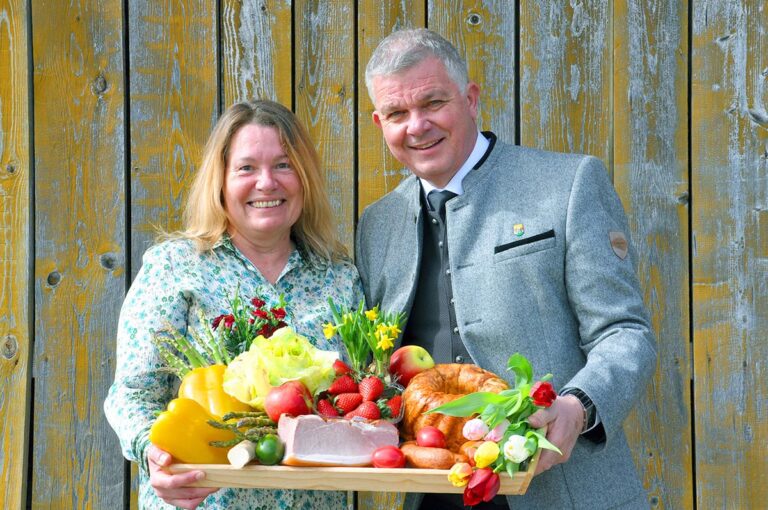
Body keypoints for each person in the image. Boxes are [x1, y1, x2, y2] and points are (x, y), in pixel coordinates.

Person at [356, 28, 657, 509]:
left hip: (564, 490)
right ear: (380, 123)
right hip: (432, 494)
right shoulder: (377, 224)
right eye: (397, 114)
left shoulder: (568, 183)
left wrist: (577, 407)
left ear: (471, 99)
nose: (417, 126)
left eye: (433, 103)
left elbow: (625, 332)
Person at [104, 99, 363, 509]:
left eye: (283, 165)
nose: (267, 183)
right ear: (220, 181)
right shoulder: (175, 266)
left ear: (304, 177)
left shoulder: (338, 276)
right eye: (246, 168)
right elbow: (134, 393)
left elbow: (361, 396)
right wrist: (154, 454)